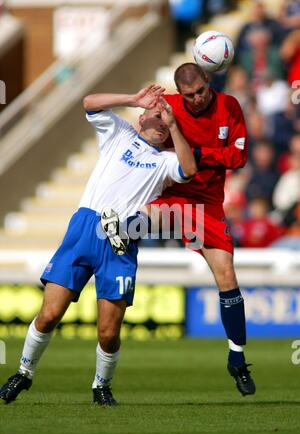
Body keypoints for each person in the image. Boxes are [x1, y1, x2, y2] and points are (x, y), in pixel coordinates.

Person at [0, 85, 197, 406]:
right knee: (49, 314)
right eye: (158, 116)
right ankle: (23, 373)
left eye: (168, 121)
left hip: (120, 241)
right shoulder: (119, 133)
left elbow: (189, 171)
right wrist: (132, 98)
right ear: (142, 115)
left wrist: (176, 125)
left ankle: (101, 386)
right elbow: (88, 101)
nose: (163, 122)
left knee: (108, 331)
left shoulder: (165, 162)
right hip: (84, 229)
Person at [109, 63, 256, 396]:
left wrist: (198, 153)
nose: (197, 98)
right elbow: (142, 140)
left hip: (208, 204)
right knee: (140, 219)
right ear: (180, 93)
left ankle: (237, 358)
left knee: (228, 277)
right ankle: (115, 234)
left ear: (208, 81)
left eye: (201, 91)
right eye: (189, 95)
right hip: (172, 194)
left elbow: (239, 157)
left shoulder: (229, 106)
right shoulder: (168, 106)